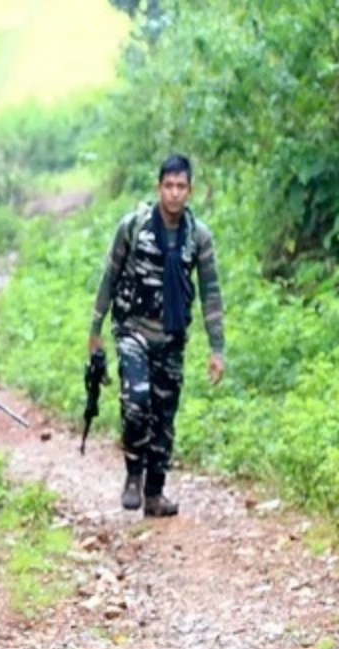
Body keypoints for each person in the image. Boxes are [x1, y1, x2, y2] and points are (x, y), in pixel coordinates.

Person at [89, 153, 225, 517]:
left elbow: (211, 292)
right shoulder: (133, 226)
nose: (175, 194)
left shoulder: (197, 236)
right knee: (137, 400)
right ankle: (133, 472)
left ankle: (154, 493)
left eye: (181, 187)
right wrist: (95, 329)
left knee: (164, 416)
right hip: (132, 328)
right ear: (158, 187)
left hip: (172, 336)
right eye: (169, 186)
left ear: (190, 190)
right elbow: (109, 276)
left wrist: (217, 348)